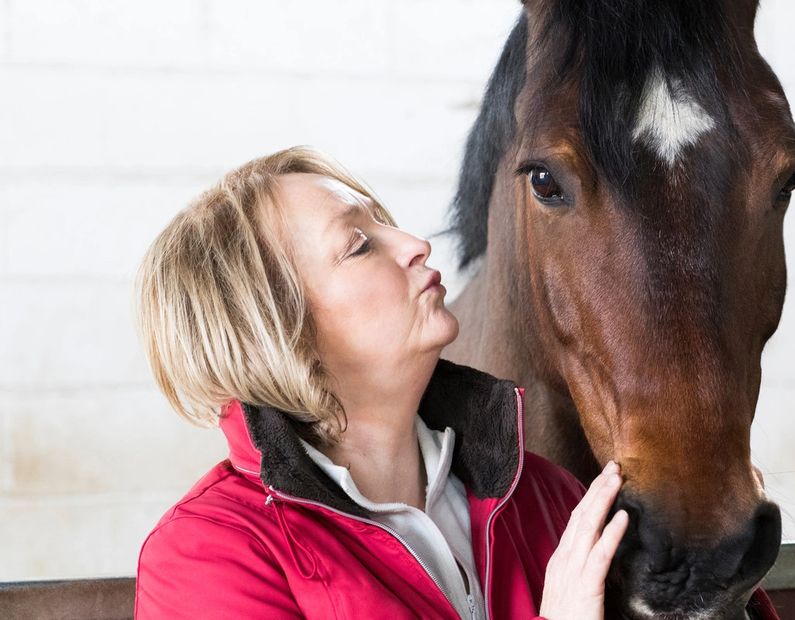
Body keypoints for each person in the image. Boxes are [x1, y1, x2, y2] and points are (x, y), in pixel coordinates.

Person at [131, 146, 631, 619]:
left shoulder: (547, 494)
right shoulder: (209, 555)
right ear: (275, 329)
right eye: (359, 245)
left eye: (384, 224)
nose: (417, 245)